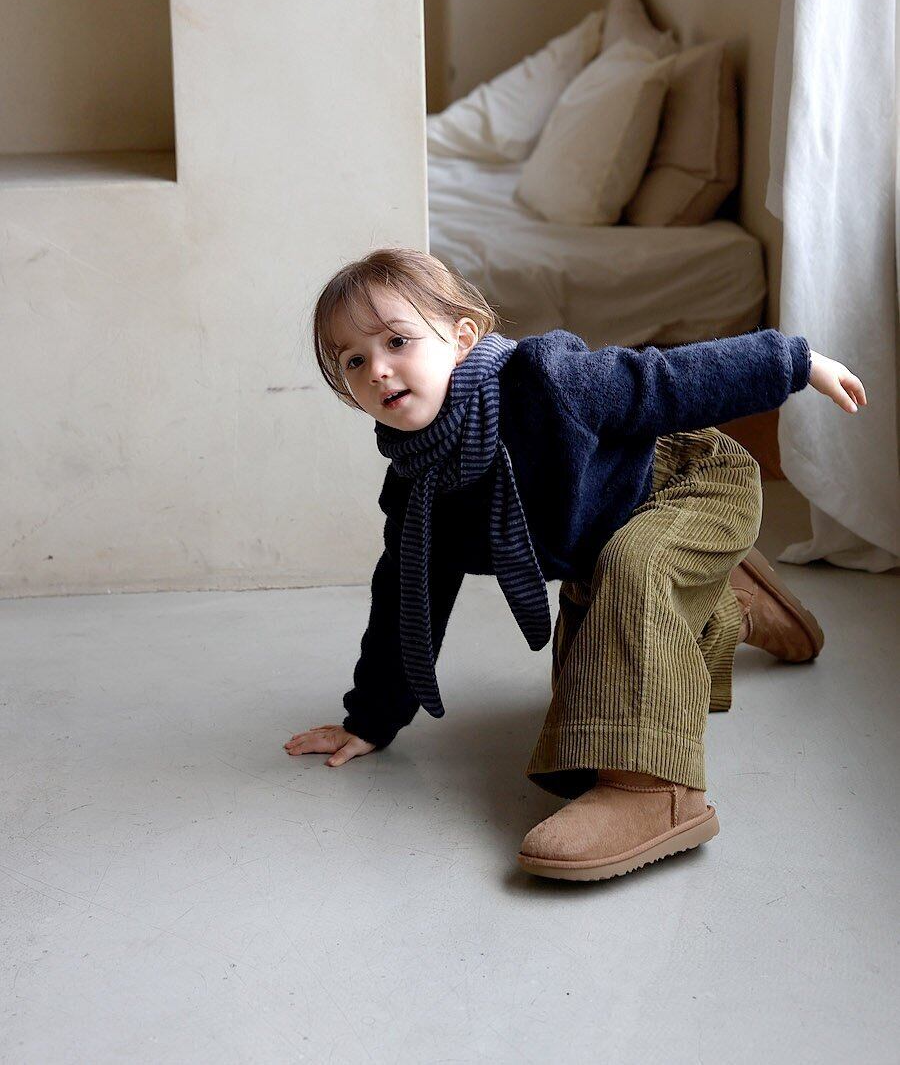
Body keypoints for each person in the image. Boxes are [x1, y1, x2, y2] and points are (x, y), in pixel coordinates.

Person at [284, 247, 867, 882]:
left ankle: (654, 791)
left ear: (461, 338)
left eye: (398, 341)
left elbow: (665, 378)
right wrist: (370, 719)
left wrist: (793, 362)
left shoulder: (546, 383)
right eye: (354, 360)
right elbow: (407, 597)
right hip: (608, 531)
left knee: (634, 568)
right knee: (589, 691)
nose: (378, 370)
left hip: (693, 479)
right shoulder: (420, 483)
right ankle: (729, 604)